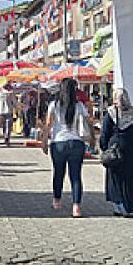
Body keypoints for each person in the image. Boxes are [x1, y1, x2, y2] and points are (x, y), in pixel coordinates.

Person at [42, 78, 93, 218]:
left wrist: (44, 141)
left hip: (58, 143)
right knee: (75, 176)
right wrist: (93, 139)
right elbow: (89, 122)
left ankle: (57, 201)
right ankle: (76, 207)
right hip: (76, 143)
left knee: (58, 173)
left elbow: (48, 125)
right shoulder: (79, 106)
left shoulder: (54, 105)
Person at [100, 88, 133, 216]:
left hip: (115, 149)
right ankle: (131, 207)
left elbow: (104, 134)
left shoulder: (111, 113)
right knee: (131, 178)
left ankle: (119, 207)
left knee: (116, 179)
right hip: (132, 150)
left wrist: (104, 149)